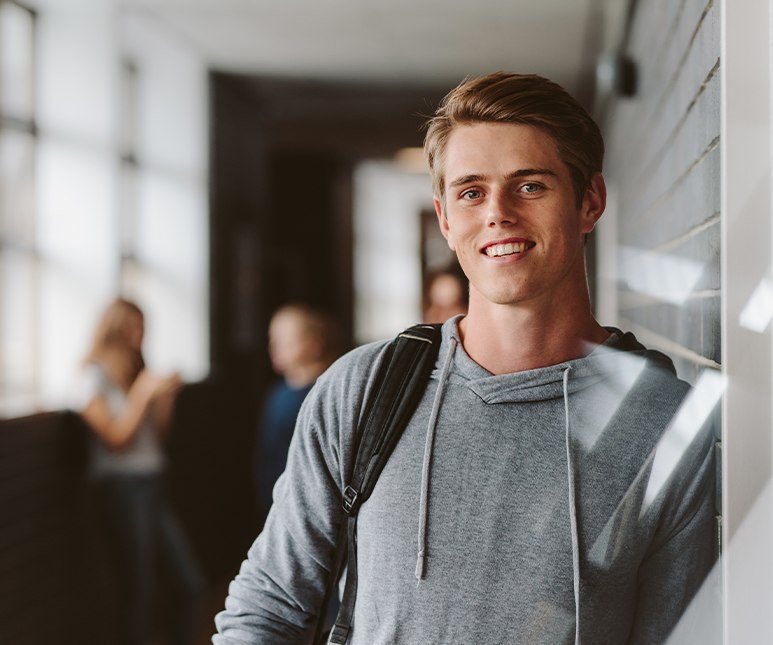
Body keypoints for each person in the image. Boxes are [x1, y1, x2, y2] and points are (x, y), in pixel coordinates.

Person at [213, 73, 715, 644]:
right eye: (471, 191)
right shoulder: (362, 389)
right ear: (446, 218)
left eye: (530, 186)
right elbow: (268, 605)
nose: (497, 213)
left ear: (590, 201)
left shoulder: (665, 422)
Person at [74, 298, 202, 645]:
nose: (139, 334)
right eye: (133, 326)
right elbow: (116, 439)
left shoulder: (136, 373)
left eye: (143, 326)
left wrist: (166, 400)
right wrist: (144, 394)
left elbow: (157, 438)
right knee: (139, 589)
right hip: (122, 490)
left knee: (188, 582)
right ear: (114, 329)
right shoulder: (92, 377)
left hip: (153, 484)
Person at [255, 304, 342, 517]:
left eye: (286, 340)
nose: (275, 346)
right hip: (275, 502)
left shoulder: (331, 391)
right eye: (272, 339)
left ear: (313, 344)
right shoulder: (278, 393)